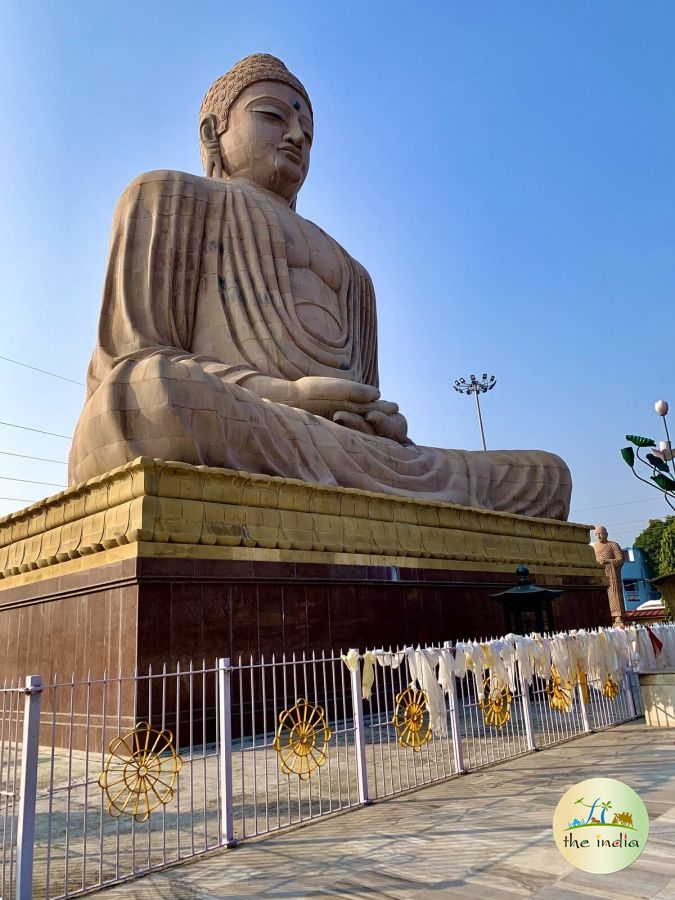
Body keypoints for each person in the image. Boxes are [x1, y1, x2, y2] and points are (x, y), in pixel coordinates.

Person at [68, 53, 571, 519]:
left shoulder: (355, 272)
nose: (296, 137)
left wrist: (379, 423)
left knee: (544, 475)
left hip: (340, 449)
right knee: (151, 395)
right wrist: (287, 396)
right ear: (211, 133)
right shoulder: (169, 195)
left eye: (307, 130)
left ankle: (389, 492)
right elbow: (131, 360)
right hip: (247, 418)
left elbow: (365, 398)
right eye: (272, 116)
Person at [592, 526, 625, 624]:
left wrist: (608, 561)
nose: (598, 536)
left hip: (611, 573)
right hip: (599, 574)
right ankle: (604, 615)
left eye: (600, 533)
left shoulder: (613, 545)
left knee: (614, 594)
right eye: (596, 534)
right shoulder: (594, 547)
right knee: (600, 595)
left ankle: (617, 616)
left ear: (606, 534)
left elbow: (620, 560)